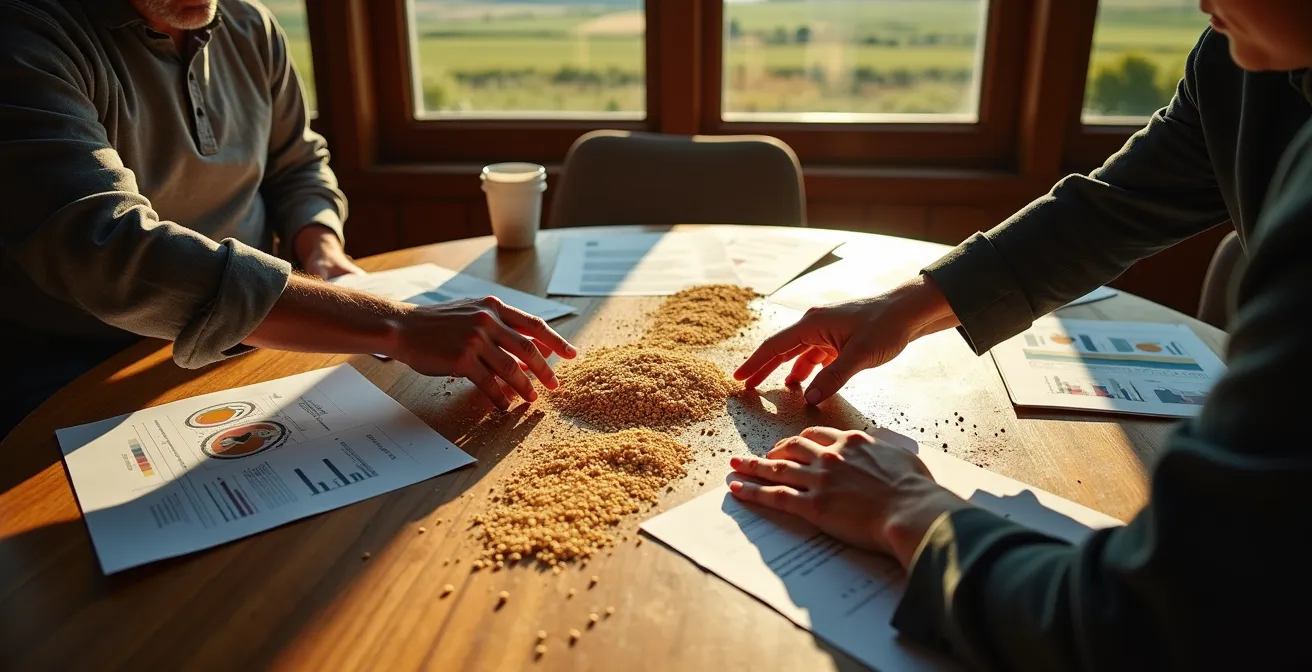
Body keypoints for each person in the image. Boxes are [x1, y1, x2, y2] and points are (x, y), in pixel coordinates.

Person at [732, 1, 1311, 668]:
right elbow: (1109, 209)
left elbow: (1153, 621)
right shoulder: (1240, 63)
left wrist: (908, 506)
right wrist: (906, 306)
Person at [0, 0, 574, 439]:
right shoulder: (28, 37)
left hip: (256, 333)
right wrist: (398, 326)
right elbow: (105, 248)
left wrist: (321, 251)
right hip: (78, 364)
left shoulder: (251, 26)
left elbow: (297, 164)